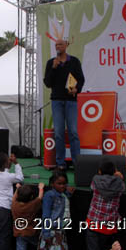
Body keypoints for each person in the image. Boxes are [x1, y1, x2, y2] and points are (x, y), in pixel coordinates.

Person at [43, 38, 85, 170]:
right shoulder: (51, 63)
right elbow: (48, 83)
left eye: (60, 44)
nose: (57, 47)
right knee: (59, 133)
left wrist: (77, 89)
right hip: (56, 101)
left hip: (71, 101)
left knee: (73, 132)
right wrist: (54, 68)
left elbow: (81, 79)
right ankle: (60, 163)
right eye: (56, 45)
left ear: (66, 45)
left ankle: (77, 162)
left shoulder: (74, 61)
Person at [85, 161, 125, 250]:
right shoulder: (120, 183)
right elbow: (122, 188)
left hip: (93, 225)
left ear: (99, 171)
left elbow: (92, 187)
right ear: (115, 171)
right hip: (109, 227)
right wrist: (119, 177)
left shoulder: (95, 180)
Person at [38, 170, 74, 250]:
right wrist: (46, 234)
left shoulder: (62, 195)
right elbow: (46, 215)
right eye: (59, 183)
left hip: (58, 231)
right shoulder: (49, 195)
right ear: (52, 184)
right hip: (50, 231)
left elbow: (63, 200)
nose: (62, 186)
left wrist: (68, 191)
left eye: (64, 183)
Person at [12, 183, 45, 250]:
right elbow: (40, 197)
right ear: (31, 197)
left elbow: (14, 197)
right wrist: (41, 188)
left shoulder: (14, 204)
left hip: (19, 233)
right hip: (31, 233)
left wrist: (17, 188)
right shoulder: (32, 205)